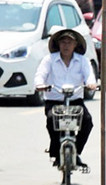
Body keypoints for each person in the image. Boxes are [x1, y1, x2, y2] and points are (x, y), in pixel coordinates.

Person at [34, 29, 96, 169]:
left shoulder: (82, 60)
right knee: (51, 120)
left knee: (87, 122)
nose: (66, 45)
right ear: (58, 44)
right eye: (63, 42)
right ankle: (56, 153)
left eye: (69, 42)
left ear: (75, 45)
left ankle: (76, 152)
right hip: (54, 101)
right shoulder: (49, 59)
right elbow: (40, 75)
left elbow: (89, 75)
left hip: (75, 100)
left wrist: (91, 84)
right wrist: (40, 85)